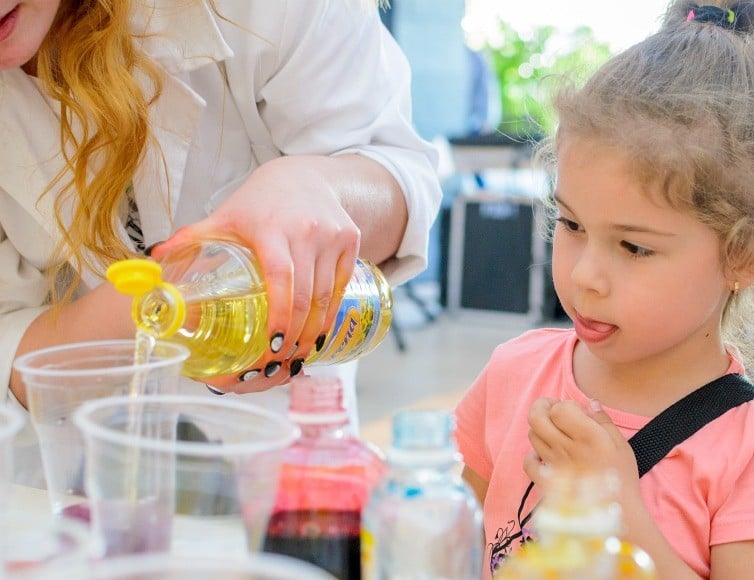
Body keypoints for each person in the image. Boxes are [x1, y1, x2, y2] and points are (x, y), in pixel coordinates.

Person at [453, 1, 754, 580]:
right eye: (570, 224)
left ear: (746, 256)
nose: (584, 274)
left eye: (634, 247)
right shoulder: (514, 374)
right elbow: (453, 566)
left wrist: (623, 521)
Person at [0, 1, 440, 475]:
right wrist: (161, 305)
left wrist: (315, 187)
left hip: (280, 460)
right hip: (59, 478)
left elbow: (398, 185)